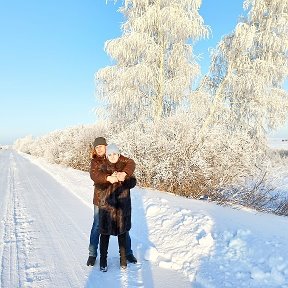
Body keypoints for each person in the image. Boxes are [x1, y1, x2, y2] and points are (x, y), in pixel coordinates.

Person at [87, 137, 137, 266]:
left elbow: (130, 162)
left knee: (122, 226)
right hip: (100, 199)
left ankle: (129, 253)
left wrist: (125, 174)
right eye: (96, 147)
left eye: (101, 146)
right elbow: (94, 176)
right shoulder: (96, 162)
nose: (99, 149)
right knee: (98, 225)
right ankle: (92, 253)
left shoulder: (113, 154)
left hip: (117, 200)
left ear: (106, 146)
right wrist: (108, 178)